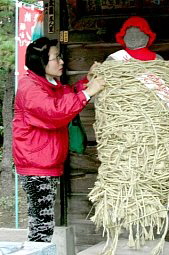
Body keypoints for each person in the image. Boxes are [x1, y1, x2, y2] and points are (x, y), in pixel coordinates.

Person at [12, 37, 104, 242]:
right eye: (56, 57)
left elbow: (66, 96)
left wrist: (86, 82)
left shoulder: (48, 84)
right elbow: (55, 111)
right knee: (41, 229)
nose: (61, 62)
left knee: (43, 225)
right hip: (36, 166)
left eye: (60, 56)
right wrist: (89, 92)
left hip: (44, 163)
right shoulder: (30, 88)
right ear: (42, 61)